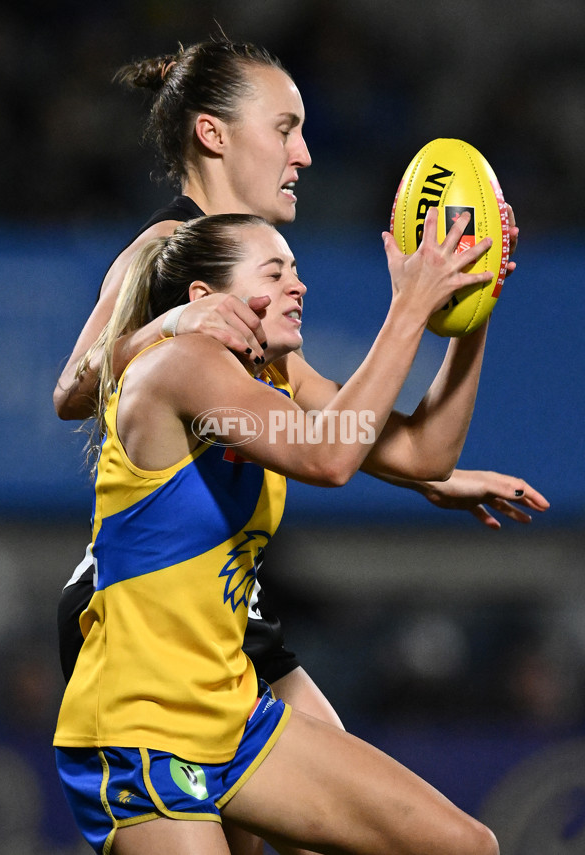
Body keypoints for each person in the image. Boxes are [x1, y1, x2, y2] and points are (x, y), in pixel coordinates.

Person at [52, 38, 548, 855]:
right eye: (285, 128)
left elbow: (402, 448)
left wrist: (471, 299)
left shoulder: (262, 299)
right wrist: (170, 322)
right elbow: (74, 387)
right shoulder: (168, 255)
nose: (304, 153)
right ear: (214, 135)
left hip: (226, 623)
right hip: (143, 625)